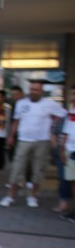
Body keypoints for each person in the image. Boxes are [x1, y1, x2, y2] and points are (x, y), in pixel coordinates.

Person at [0, 80, 66, 208]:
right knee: (17, 168)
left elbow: (63, 115)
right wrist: (11, 136)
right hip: (24, 140)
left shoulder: (49, 104)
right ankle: (10, 196)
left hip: (42, 141)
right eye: (31, 89)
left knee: (38, 169)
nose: (33, 92)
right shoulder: (21, 103)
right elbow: (16, 121)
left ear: (41, 91)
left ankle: (32, 196)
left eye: (36, 89)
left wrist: (54, 131)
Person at [54, 85, 75, 218]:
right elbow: (66, 132)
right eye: (72, 94)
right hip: (70, 150)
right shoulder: (71, 112)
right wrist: (62, 150)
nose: (73, 97)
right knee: (72, 182)